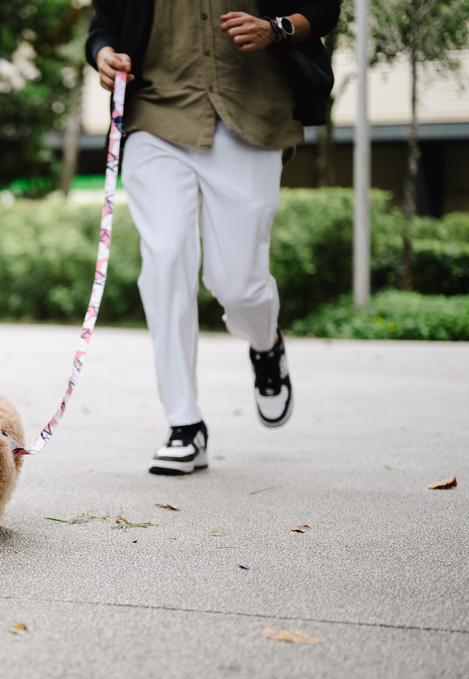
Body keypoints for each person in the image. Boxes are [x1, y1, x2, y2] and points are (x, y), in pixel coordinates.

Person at [86, 0, 340, 475]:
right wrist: (104, 55)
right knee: (165, 258)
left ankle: (265, 343)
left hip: (251, 112)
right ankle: (184, 424)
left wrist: (276, 29)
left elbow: (323, 8)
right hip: (155, 116)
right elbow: (106, 25)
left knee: (238, 284)